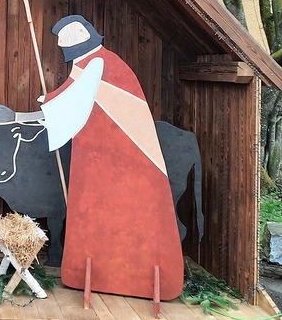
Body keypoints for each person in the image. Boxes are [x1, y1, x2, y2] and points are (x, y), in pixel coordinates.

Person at [39, 15, 184, 301]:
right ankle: (90, 269)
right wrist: (51, 99)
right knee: (93, 206)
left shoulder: (100, 62)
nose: (65, 46)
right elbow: (72, 88)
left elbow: (77, 94)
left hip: (123, 151)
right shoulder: (87, 63)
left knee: (126, 208)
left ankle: (142, 274)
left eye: (67, 40)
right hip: (96, 150)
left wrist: (51, 103)